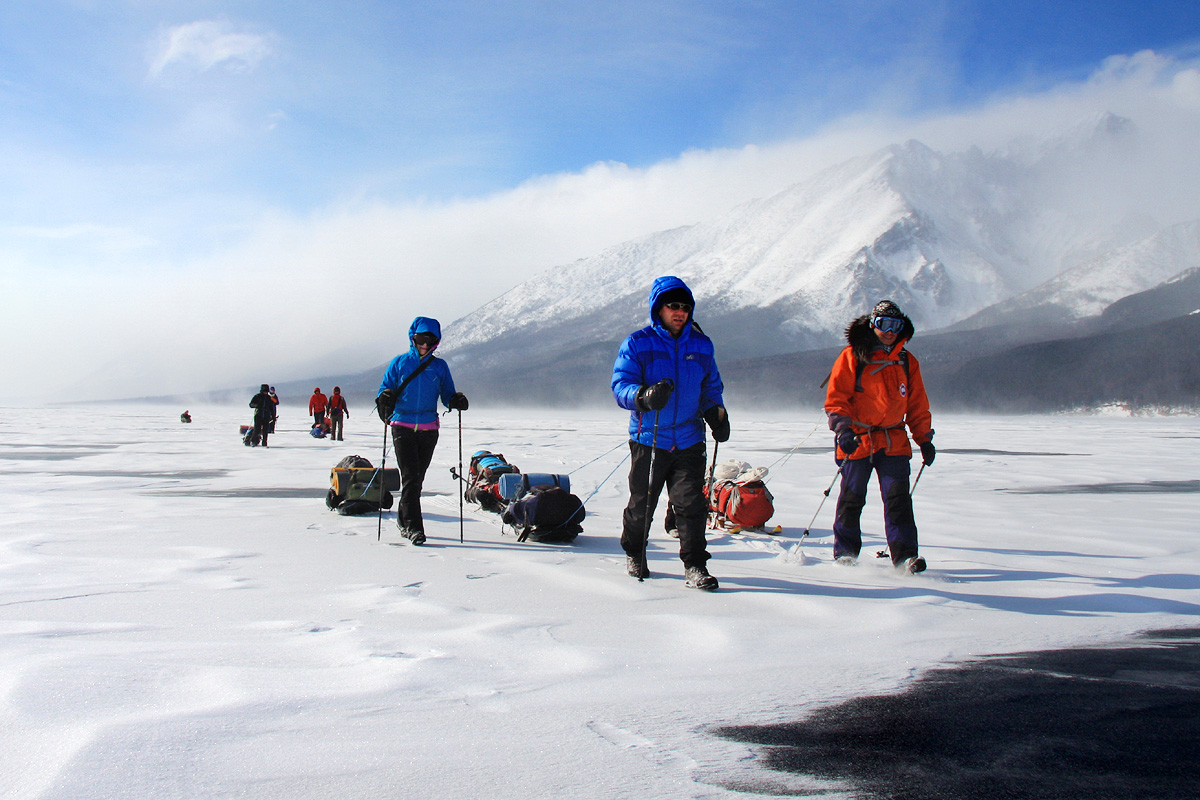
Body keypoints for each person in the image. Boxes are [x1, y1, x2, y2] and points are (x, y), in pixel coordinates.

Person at [612, 276, 729, 590]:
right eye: (672, 306)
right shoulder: (637, 343)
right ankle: (635, 552)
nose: (680, 312)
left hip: (689, 438)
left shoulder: (702, 345)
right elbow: (620, 385)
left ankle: (695, 565)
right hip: (649, 439)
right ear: (658, 309)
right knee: (642, 505)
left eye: (685, 307)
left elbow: (711, 387)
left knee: (691, 505)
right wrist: (643, 396)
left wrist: (716, 414)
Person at [824, 299, 935, 574]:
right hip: (858, 439)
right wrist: (843, 429)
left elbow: (917, 405)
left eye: (896, 325)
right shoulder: (852, 356)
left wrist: (924, 439)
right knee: (852, 499)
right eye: (884, 324)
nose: (890, 331)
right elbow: (837, 398)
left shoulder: (907, 361)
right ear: (873, 324)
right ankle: (846, 554)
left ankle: (906, 557)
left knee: (898, 500)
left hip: (893, 440)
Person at [376, 317, 469, 545]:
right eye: (421, 339)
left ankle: (403, 519)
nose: (425, 345)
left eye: (430, 340)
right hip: (402, 425)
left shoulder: (440, 367)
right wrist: (385, 397)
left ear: (436, 341)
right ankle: (414, 527)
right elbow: (384, 389)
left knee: (417, 478)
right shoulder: (399, 364)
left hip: (428, 428)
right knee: (411, 478)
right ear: (412, 338)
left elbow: (447, 393)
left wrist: (455, 400)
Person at [249, 383, 277, 448]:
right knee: (257, 429)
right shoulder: (257, 396)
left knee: (265, 430)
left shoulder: (269, 398)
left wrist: (273, 417)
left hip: (266, 416)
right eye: (264, 391)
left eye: (266, 391)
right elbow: (251, 405)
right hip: (258, 415)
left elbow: (271, 408)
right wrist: (256, 405)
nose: (265, 392)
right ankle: (254, 441)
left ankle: (264, 443)